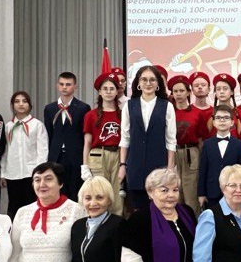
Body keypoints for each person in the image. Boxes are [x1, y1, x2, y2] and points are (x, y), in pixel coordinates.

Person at [120, 65, 177, 212]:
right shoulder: (129, 105)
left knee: (160, 207)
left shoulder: (167, 106)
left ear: (158, 83)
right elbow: (125, 138)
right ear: (138, 83)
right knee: (138, 210)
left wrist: (170, 168)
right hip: (135, 165)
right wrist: (122, 165)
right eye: (144, 79)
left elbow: (171, 140)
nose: (148, 83)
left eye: (152, 79)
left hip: (159, 164)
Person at [82, 71, 126, 214]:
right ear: (99, 92)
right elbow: (87, 143)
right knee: (99, 192)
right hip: (97, 156)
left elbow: (125, 140)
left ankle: (117, 225)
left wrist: (123, 164)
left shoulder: (124, 114)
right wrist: (84, 166)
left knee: (117, 195)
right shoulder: (91, 115)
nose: (108, 92)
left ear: (117, 91)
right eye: (105, 88)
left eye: (112, 88)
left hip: (118, 155)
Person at [44, 71, 91, 201]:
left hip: (75, 155)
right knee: (57, 189)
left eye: (68, 84)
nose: (64, 87)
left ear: (75, 86)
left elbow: (84, 134)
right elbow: (48, 133)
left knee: (75, 190)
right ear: (57, 86)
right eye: (62, 84)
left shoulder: (83, 108)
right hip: (56, 156)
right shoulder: (50, 108)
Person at [2, 91, 49, 218]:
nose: (21, 104)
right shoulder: (8, 126)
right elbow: (5, 151)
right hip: (12, 173)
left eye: (24, 101)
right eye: (17, 101)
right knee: (14, 206)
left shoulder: (37, 125)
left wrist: (40, 172)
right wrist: (3, 173)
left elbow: (42, 150)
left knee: (32, 205)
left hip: (31, 173)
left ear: (29, 105)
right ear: (12, 105)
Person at [198, 105, 241, 208]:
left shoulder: (239, 144)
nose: (222, 120)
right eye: (218, 118)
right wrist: (201, 193)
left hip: (233, 192)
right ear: (213, 122)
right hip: (212, 192)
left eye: (226, 117)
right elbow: (203, 170)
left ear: (232, 122)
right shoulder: (207, 144)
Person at [169, 74, 206, 214]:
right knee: (175, 193)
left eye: (182, 91)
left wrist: (202, 159)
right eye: (175, 91)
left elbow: (201, 139)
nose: (178, 94)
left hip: (192, 153)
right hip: (173, 153)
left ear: (189, 92)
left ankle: (195, 223)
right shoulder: (169, 113)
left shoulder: (197, 113)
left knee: (192, 195)